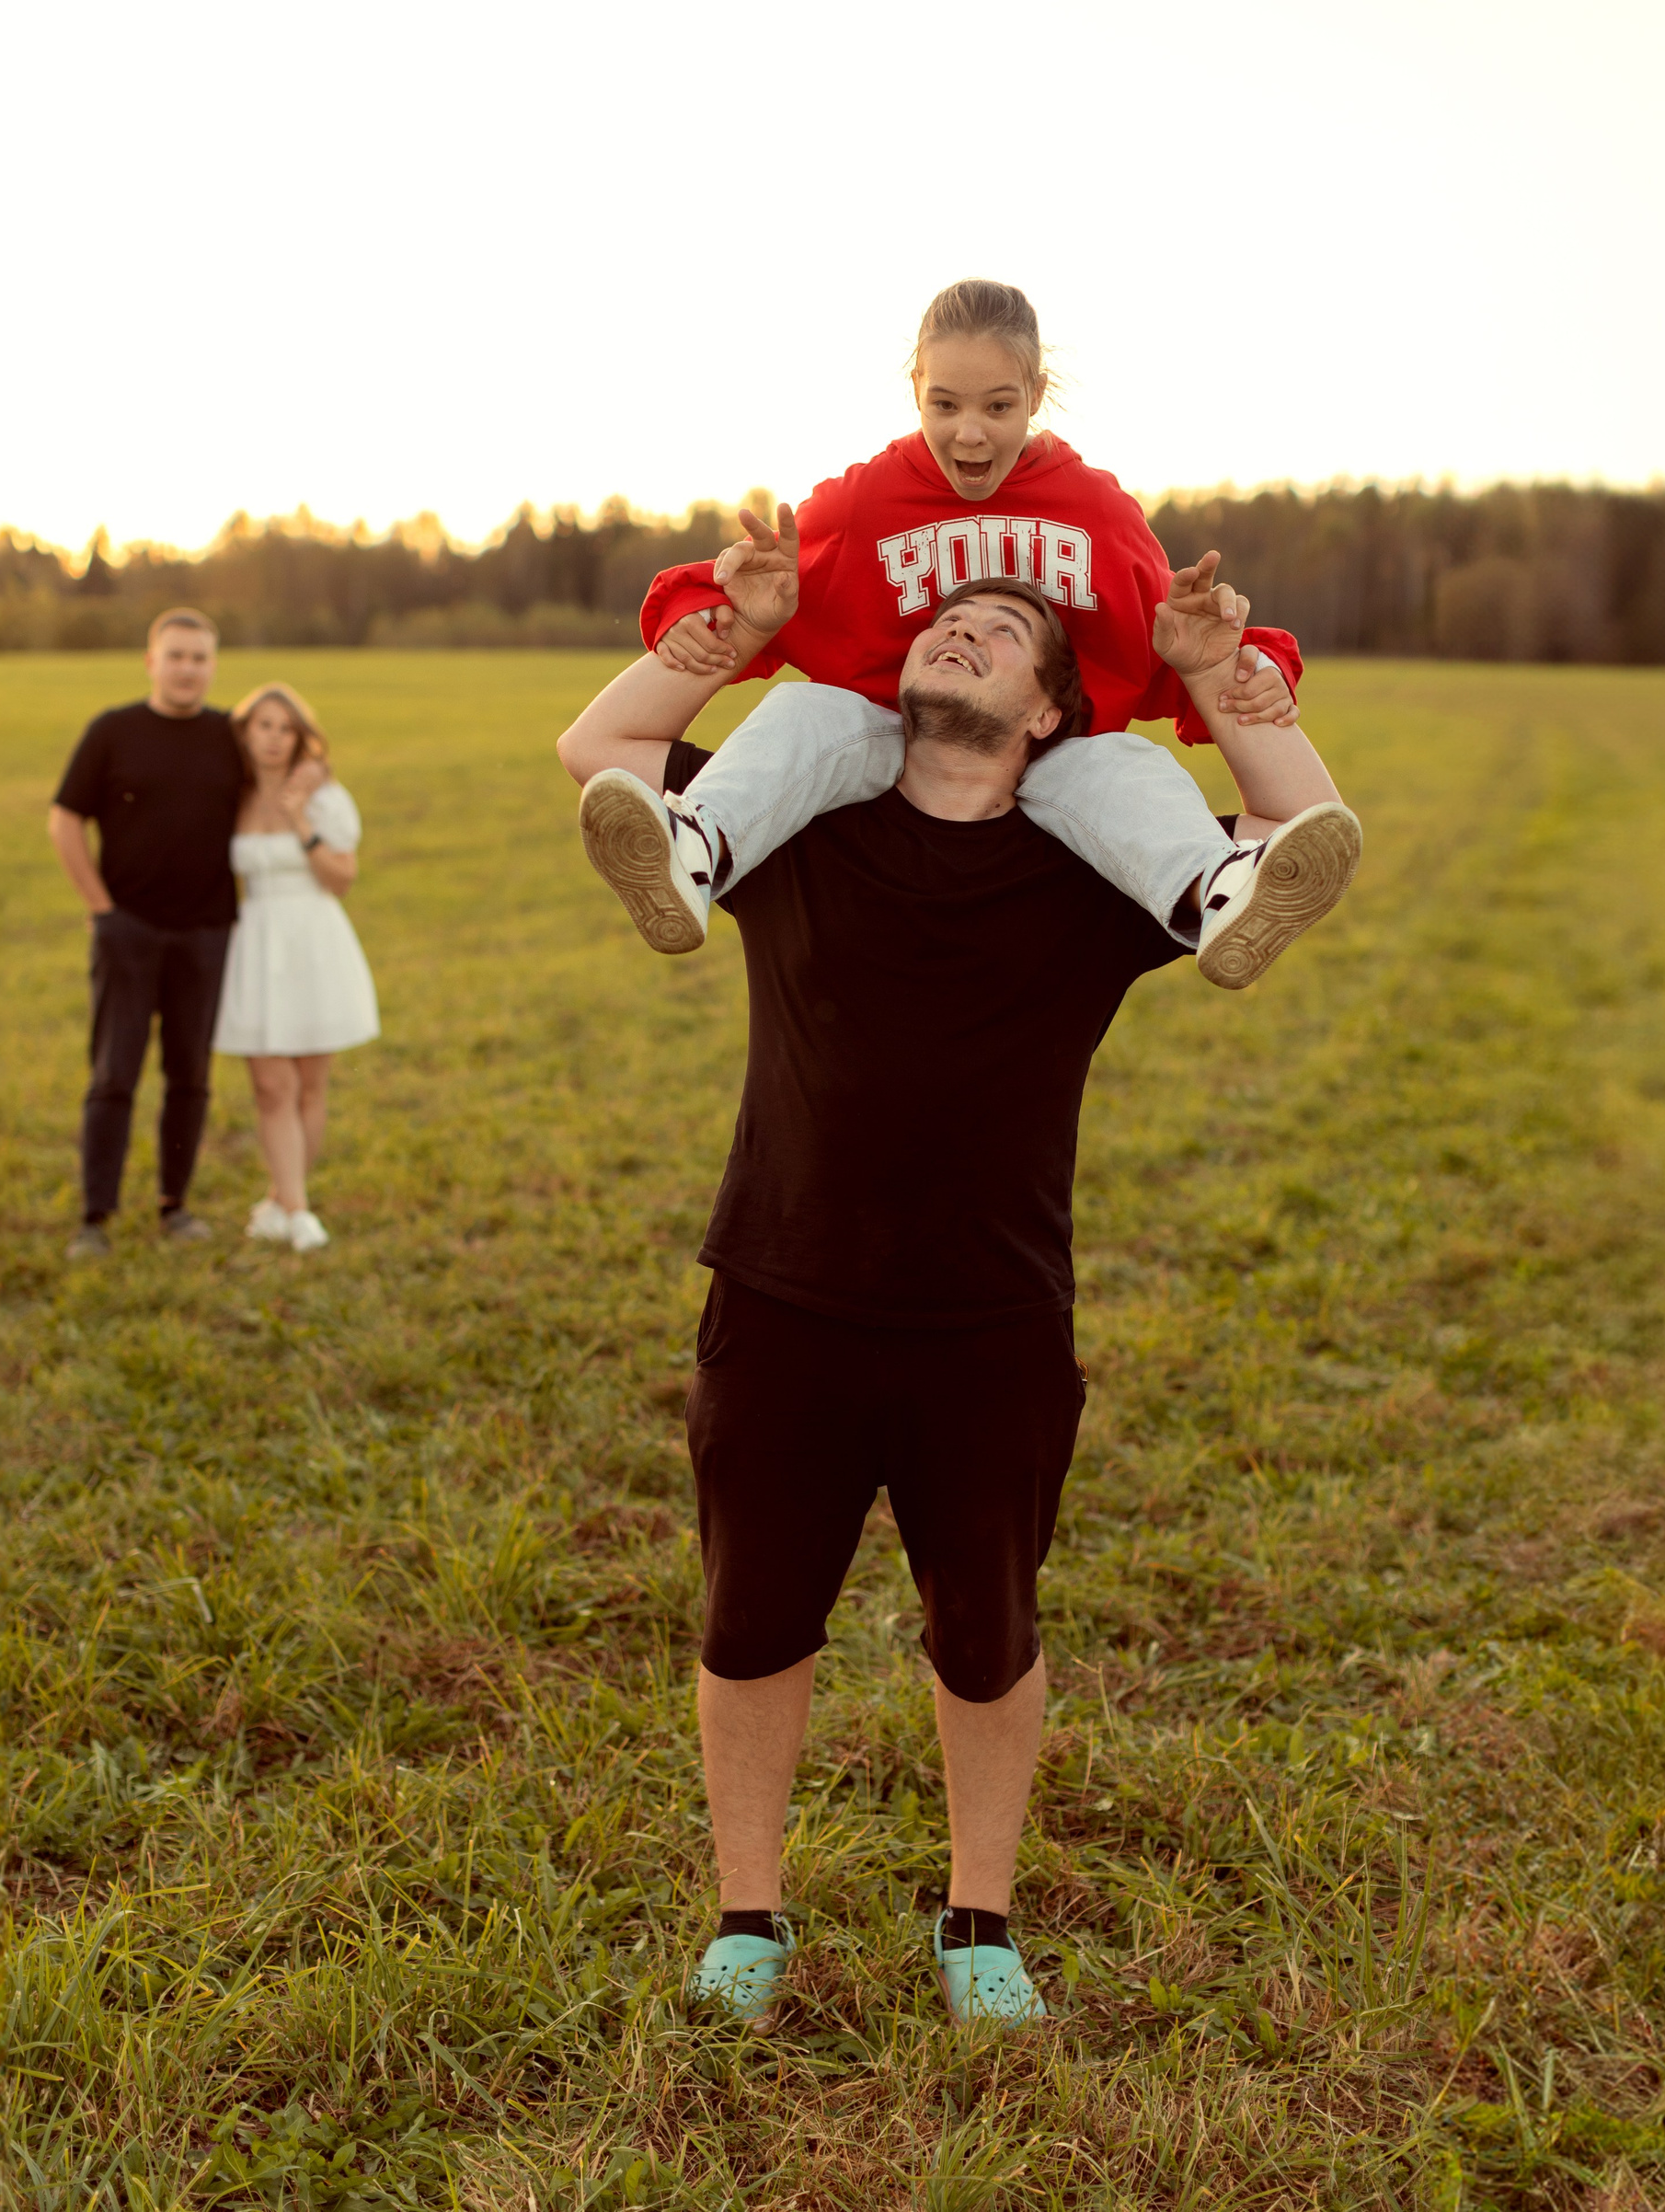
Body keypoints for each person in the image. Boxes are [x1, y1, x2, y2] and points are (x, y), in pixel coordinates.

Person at [555, 543, 1352, 2031]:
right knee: (751, 1621)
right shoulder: (794, 824)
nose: (962, 634)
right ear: (901, 681)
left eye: (1004, 634)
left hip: (991, 1316)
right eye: (946, 624)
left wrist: (1199, 668)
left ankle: (978, 1916)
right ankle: (747, 1912)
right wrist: (746, 632)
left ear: (1051, 714)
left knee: (986, 1635)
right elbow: (601, 752)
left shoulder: (1088, 866)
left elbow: (1300, 833)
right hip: (781, 1292)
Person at [579, 280, 1360, 985]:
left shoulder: (1096, 514)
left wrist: (1234, 669)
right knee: (805, 716)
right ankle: (695, 848)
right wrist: (720, 617)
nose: (971, 436)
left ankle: (1213, 890)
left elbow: (1165, 646)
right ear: (914, 389)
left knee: (1119, 763)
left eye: (998, 406)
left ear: (1036, 393)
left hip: (1046, 764)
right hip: (884, 748)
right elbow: (770, 599)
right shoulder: (864, 503)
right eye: (944, 405)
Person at [48, 608, 243, 1258]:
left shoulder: (229, 737)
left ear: (213, 666)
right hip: (126, 929)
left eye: (200, 658)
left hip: (208, 931)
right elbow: (65, 819)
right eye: (177, 656)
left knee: (190, 1074)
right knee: (114, 1073)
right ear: (151, 661)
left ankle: (174, 1205)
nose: (188, 669)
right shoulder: (113, 731)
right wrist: (101, 908)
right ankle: (94, 1217)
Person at [210, 681, 379, 1253]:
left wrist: (299, 819)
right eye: (264, 726)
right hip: (254, 941)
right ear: (245, 733)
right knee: (268, 1084)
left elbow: (343, 879)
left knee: (309, 1085)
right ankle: (298, 1209)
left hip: (313, 936)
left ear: (300, 736)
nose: (276, 739)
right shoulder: (227, 794)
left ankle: (284, 1201)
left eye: (287, 728)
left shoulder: (324, 795)